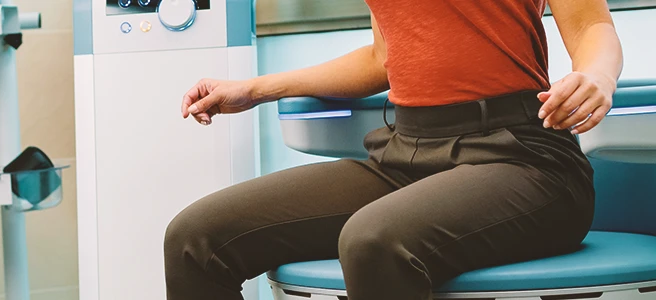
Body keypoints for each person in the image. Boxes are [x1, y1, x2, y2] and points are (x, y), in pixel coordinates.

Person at [163, 0, 622, 299]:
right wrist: (257, 89)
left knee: (373, 241)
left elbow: (590, 26)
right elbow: (383, 58)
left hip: (523, 158)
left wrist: (598, 76)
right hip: (405, 152)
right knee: (196, 238)